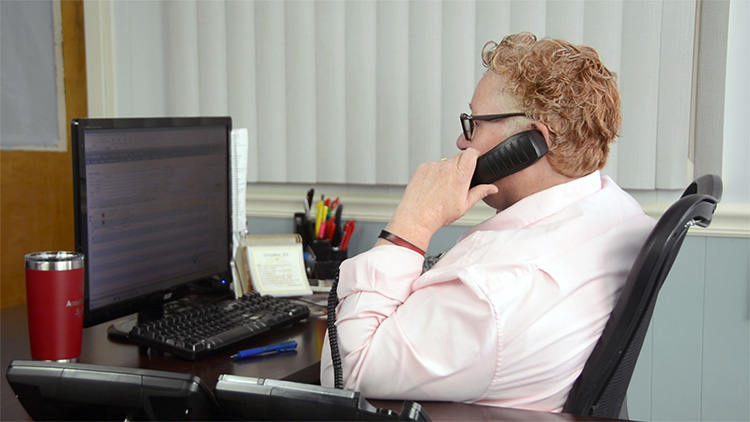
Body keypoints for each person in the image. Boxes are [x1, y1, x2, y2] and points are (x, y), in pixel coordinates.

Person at [320, 32, 655, 412]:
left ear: (531, 143)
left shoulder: (492, 294)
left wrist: (411, 225)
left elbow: (345, 373)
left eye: (474, 124)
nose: (462, 143)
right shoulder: (615, 209)